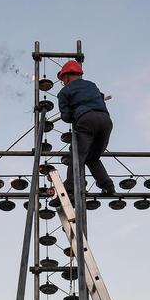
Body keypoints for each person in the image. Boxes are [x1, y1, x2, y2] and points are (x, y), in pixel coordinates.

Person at [56, 60, 116, 197]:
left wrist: (74, 114)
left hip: (86, 120)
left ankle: (71, 188)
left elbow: (66, 116)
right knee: (92, 158)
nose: (63, 82)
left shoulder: (64, 91)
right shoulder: (92, 85)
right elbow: (100, 97)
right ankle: (108, 186)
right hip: (106, 121)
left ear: (66, 76)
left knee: (77, 155)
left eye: (63, 80)